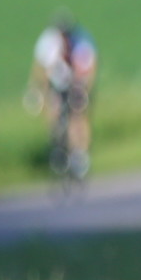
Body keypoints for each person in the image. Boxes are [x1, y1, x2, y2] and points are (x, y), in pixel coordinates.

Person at [27, 14, 98, 180]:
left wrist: (85, 91)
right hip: (57, 81)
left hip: (77, 81)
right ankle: (57, 146)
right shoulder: (48, 42)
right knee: (53, 109)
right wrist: (39, 91)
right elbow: (40, 69)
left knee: (78, 114)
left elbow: (90, 69)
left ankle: (80, 154)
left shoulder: (82, 42)